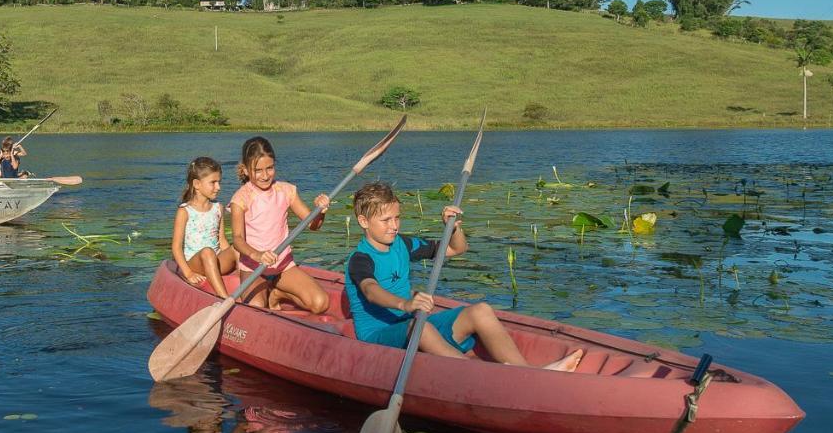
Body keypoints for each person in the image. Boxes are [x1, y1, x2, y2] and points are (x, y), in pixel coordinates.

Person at [345, 181, 582, 371]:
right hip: (377, 337)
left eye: (397, 218)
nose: (394, 226)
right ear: (364, 221)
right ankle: (483, 378)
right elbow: (370, 290)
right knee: (422, 327)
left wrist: (454, 228)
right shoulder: (360, 259)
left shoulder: (402, 243)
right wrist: (405, 303)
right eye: (385, 220)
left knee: (480, 311)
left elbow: (455, 249)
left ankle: (529, 374)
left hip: (410, 324)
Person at [229, 136, 331, 312]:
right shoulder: (241, 198)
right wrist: (258, 255)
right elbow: (237, 240)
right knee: (256, 308)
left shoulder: (286, 190)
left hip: (284, 266)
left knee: (320, 303)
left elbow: (313, 226)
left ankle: (276, 293)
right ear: (245, 170)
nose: (265, 175)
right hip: (254, 268)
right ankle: (264, 294)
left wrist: (320, 213)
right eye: (258, 170)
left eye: (270, 168)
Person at [171, 156, 238, 298]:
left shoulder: (218, 208)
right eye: (213, 182)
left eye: (219, 182)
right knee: (207, 252)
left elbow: (222, 240)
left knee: (237, 247)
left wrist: (234, 255)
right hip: (196, 264)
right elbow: (176, 247)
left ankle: (241, 286)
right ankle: (224, 298)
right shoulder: (185, 211)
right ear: (197, 184)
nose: (218, 187)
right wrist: (188, 273)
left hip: (217, 261)